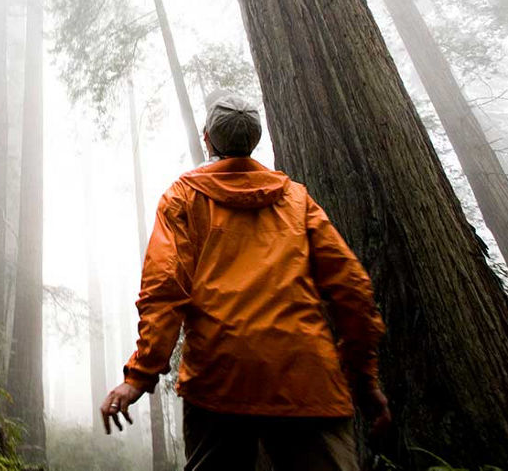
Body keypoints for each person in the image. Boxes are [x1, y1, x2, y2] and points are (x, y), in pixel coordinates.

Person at [100, 91, 389, 471]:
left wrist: (139, 375)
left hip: (219, 382)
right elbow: (352, 289)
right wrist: (365, 382)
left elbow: (164, 290)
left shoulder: (182, 197)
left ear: (207, 138)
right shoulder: (296, 200)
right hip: (307, 379)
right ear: (255, 142)